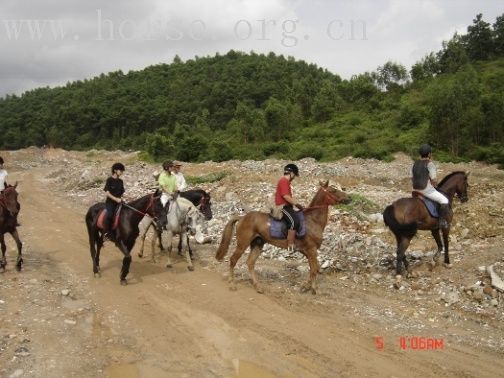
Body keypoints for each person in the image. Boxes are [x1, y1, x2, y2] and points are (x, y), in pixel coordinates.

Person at [411, 144, 450, 229]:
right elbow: (434, 180)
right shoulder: (430, 164)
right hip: (426, 190)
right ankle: (442, 222)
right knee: (444, 200)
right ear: (429, 154)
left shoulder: (414, 164)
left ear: (420, 154)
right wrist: (434, 185)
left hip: (414, 190)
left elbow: (412, 178)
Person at [275, 163, 304, 252]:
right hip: (283, 207)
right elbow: (286, 196)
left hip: (287, 206)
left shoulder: (285, 182)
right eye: (294, 175)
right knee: (293, 222)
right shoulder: (284, 181)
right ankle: (290, 245)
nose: (294, 177)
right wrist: (297, 204)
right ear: (291, 173)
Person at [103, 162, 125, 238]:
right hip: (110, 203)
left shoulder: (121, 181)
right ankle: (106, 233)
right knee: (109, 215)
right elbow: (107, 193)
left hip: (119, 202)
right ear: (115, 170)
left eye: (122, 171)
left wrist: (121, 198)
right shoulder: (109, 180)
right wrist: (116, 199)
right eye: (121, 170)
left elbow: (122, 192)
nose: (122, 172)